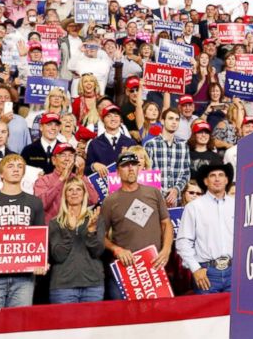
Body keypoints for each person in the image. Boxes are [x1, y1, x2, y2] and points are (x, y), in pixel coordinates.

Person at [0, 154, 47, 309]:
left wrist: (40, 262)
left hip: (24, 278)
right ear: (1, 174)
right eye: (10, 166)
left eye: (20, 167)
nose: (16, 170)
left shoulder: (35, 202)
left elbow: (40, 240)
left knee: (18, 327)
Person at [98, 151, 173, 300]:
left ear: (139, 168)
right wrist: (116, 249)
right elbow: (100, 236)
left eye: (133, 165)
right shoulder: (110, 201)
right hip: (126, 269)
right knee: (123, 319)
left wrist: (166, 250)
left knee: (157, 317)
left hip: (154, 265)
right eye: (125, 166)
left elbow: (166, 224)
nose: (130, 168)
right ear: (118, 172)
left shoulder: (153, 192)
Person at [175, 162, 234, 294]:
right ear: (206, 181)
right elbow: (183, 241)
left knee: (235, 314)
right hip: (207, 273)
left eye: (221, 175)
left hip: (234, 272)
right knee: (209, 314)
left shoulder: (237, 204)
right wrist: (195, 269)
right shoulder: (194, 207)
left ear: (226, 180)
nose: (217, 179)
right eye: (212, 175)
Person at [48, 176, 104, 303]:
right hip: (63, 288)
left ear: (84, 194)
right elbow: (58, 256)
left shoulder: (96, 219)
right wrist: (68, 230)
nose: (74, 192)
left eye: (78, 189)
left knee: (92, 323)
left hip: (93, 286)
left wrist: (91, 231)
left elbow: (98, 252)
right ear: (65, 195)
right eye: (70, 190)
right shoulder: (55, 223)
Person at [34, 142, 99, 218]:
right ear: (54, 160)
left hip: (75, 227)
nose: (67, 159)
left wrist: (81, 177)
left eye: (71, 155)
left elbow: (93, 200)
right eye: (63, 155)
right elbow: (40, 205)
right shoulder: (43, 180)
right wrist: (61, 179)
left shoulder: (78, 178)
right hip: (52, 228)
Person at [144, 108, 193, 207]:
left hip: (177, 200)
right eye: (170, 118)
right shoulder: (151, 144)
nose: (174, 122)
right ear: (162, 121)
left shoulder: (184, 145)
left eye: (177, 119)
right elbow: (147, 173)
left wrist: (175, 190)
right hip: (155, 200)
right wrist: (163, 194)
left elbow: (186, 173)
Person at [85, 104, 137, 175]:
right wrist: (93, 166)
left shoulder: (131, 143)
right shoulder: (94, 144)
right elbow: (86, 170)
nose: (113, 119)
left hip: (125, 184)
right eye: (109, 116)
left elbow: (138, 167)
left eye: (116, 116)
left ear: (120, 120)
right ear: (103, 120)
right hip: (103, 183)